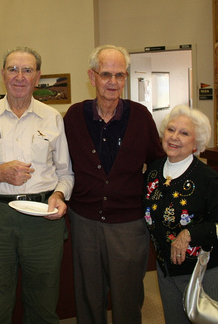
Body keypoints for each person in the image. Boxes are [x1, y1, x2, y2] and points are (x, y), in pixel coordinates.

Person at [0, 46, 74, 324]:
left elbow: (66, 174)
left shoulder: (53, 118)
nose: (19, 76)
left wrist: (59, 194)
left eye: (27, 70)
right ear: (2, 74)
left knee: (43, 306)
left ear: (38, 77)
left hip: (44, 220)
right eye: (13, 69)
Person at [63, 44, 165, 324]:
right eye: (106, 74)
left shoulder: (141, 116)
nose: (112, 82)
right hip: (84, 221)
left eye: (119, 75)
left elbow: (157, 165)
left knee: (128, 297)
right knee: (88, 296)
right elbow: (60, 163)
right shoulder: (74, 116)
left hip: (129, 224)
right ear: (92, 76)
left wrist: (147, 200)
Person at [143, 105, 218, 323]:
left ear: (196, 143)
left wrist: (189, 234)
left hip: (205, 268)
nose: (174, 137)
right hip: (167, 269)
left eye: (184, 133)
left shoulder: (207, 179)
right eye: (171, 130)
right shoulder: (154, 171)